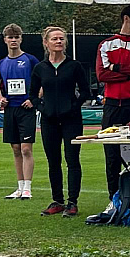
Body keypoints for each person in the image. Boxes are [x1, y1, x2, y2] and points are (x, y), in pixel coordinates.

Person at [29, 26, 90, 217]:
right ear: (46, 43)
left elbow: (86, 92)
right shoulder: (40, 68)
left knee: (72, 160)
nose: (58, 41)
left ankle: (72, 202)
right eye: (54, 39)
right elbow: (33, 94)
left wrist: (73, 107)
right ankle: (57, 201)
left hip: (71, 120)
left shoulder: (74, 66)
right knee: (53, 161)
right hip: (49, 121)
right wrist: (42, 108)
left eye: (61, 39)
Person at [95, 5, 130, 199]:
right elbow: (102, 74)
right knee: (111, 153)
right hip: (112, 103)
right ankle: (114, 197)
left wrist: (116, 67)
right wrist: (129, 73)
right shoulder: (106, 44)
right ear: (126, 18)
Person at [0, 24, 40, 200]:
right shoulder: (1, 64)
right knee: (16, 148)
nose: (13, 40)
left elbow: (41, 82)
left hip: (26, 109)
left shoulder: (30, 60)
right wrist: (0, 98)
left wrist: (33, 99)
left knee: (27, 148)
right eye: (10, 37)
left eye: (16, 37)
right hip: (10, 109)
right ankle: (19, 187)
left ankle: (28, 187)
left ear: (21, 39)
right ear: (5, 40)